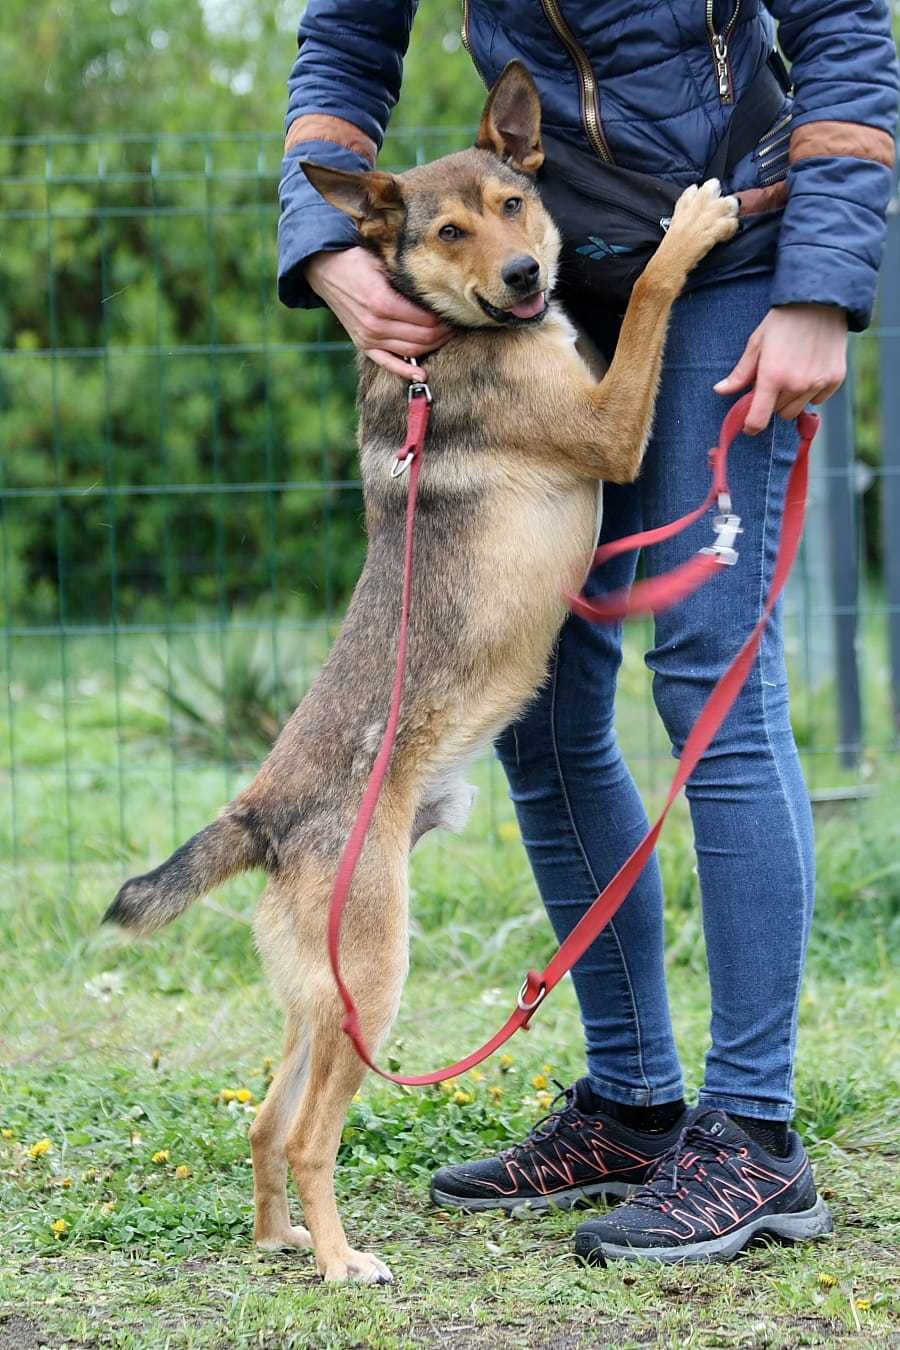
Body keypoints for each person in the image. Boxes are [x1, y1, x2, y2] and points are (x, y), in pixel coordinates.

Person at [276, 2, 898, 1263]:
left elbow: (847, 22)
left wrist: (825, 281)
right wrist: (323, 244)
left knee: (709, 670)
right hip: (532, 288)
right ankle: (628, 1101)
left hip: (720, 245)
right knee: (545, 725)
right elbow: (345, 36)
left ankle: (755, 1135)